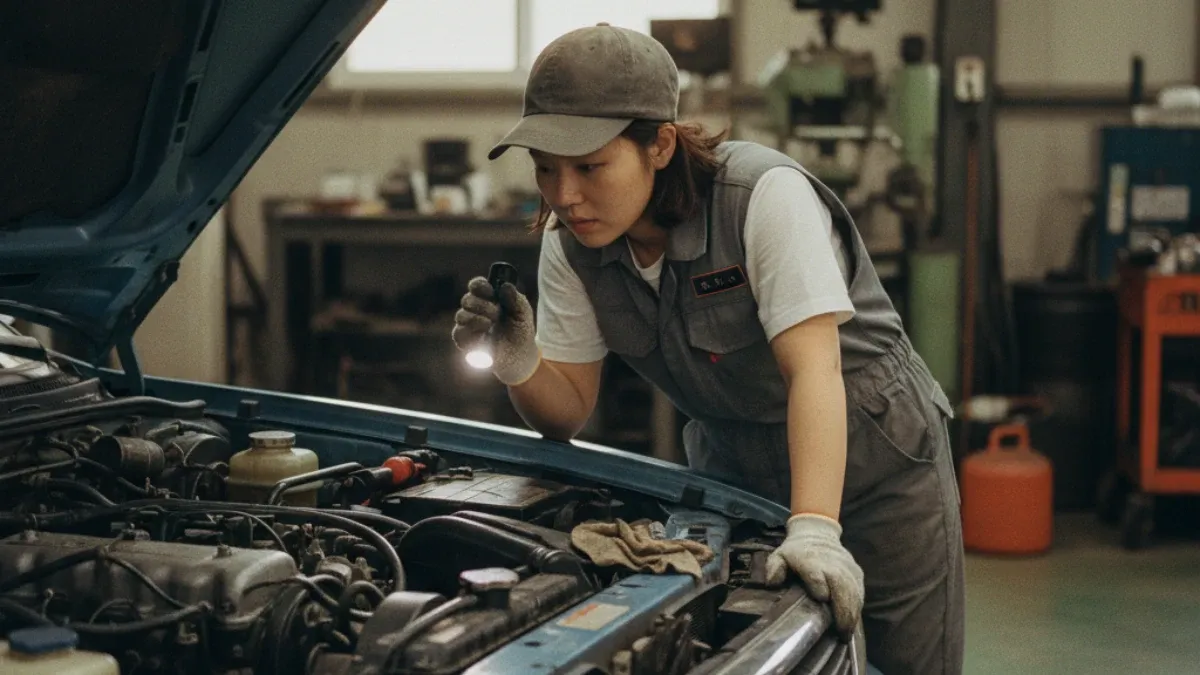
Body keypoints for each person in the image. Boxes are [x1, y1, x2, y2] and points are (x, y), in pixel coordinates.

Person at [451, 23, 964, 675]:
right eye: (545, 168)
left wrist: (814, 527)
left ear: (660, 144)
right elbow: (569, 409)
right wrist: (518, 361)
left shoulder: (763, 199)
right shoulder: (571, 243)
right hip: (736, 468)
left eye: (589, 166)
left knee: (906, 663)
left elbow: (815, 370)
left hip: (874, 460)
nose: (564, 195)